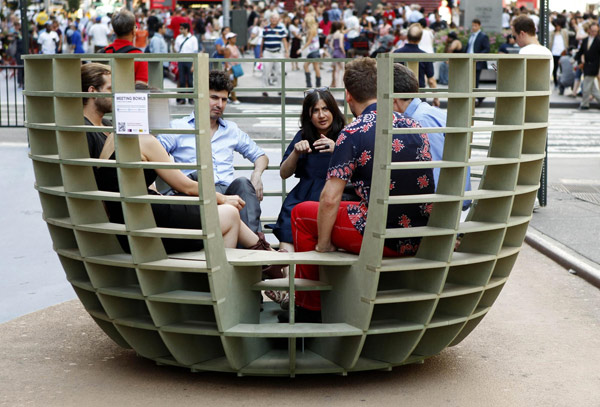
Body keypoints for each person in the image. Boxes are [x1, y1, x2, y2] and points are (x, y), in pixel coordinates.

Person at [285, 58, 435, 323]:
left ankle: (310, 309)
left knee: (301, 214)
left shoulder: (353, 132)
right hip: (418, 232)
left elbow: (329, 199)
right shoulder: (413, 125)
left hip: (379, 235)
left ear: (348, 95)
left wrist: (323, 245)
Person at [81, 63, 281, 260]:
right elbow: (185, 186)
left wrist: (254, 177)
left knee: (240, 190)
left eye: (223, 99)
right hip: (149, 215)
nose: (161, 118)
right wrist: (222, 199)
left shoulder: (111, 137)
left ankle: (262, 255)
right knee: (229, 213)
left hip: (133, 215)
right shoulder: (149, 140)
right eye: (157, 109)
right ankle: (252, 263)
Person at [158, 71, 268, 234]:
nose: (220, 104)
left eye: (224, 99)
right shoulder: (178, 128)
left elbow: (260, 156)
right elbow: (153, 153)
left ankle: (256, 244)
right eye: (214, 98)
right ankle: (256, 247)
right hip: (196, 191)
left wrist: (257, 174)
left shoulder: (231, 129)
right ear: (200, 97)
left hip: (227, 191)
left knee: (244, 184)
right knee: (199, 177)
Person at [271, 87, 344, 253]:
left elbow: (360, 169)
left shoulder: (344, 135)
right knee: (288, 227)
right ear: (309, 116)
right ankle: (286, 273)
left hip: (332, 196)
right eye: (315, 111)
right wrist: (296, 153)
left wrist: (338, 149)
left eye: (325, 109)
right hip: (303, 194)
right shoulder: (303, 135)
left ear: (333, 110)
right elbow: (284, 173)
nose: (321, 115)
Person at [392, 63, 471, 207]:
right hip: (450, 201)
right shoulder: (430, 112)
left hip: (437, 207)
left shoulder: (417, 123)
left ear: (393, 100)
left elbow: (432, 172)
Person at [394, 23, 439, 107]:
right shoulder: (425, 56)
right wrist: (436, 98)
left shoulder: (396, 53)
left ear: (407, 36)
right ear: (420, 38)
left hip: (398, 97)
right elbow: (431, 80)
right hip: (419, 96)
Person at [101, 9, 148, 85]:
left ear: (114, 31)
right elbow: (141, 88)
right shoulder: (139, 57)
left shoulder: (104, 52)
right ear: (133, 31)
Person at [261, 12, 289, 97]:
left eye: (276, 18)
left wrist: (287, 51)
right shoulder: (265, 28)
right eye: (272, 18)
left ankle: (280, 90)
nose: (274, 20)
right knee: (266, 71)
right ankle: (264, 89)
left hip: (278, 52)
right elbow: (263, 41)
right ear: (270, 19)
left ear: (278, 20)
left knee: (280, 72)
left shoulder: (281, 28)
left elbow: (284, 40)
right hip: (267, 52)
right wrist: (261, 52)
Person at [575, 22, 600, 110]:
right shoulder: (585, 40)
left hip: (594, 66)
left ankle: (584, 104)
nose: (594, 33)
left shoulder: (598, 41)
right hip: (586, 65)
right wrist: (577, 60)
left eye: (596, 31)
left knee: (586, 86)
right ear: (589, 30)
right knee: (593, 88)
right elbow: (581, 51)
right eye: (592, 31)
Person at [466, 19, 490, 106]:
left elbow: (487, 49)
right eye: (472, 25)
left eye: (475, 25)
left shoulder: (483, 36)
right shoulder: (471, 36)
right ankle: (479, 97)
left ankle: (476, 98)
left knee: (474, 82)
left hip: (477, 62)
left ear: (479, 26)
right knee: (470, 81)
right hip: (469, 61)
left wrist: (478, 57)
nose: (473, 27)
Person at [174, 22, 198, 105]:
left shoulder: (193, 39)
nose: (180, 30)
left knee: (190, 80)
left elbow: (195, 52)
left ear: (186, 29)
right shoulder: (178, 38)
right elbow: (176, 50)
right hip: (181, 60)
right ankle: (182, 98)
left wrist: (193, 65)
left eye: (182, 29)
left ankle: (191, 98)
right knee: (182, 80)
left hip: (190, 61)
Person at [298, 15, 321, 88]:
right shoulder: (313, 29)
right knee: (311, 66)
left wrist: (301, 49)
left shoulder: (311, 30)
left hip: (313, 51)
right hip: (314, 50)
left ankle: (313, 84)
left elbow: (308, 42)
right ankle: (313, 84)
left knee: (314, 67)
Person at [224, 32, 241, 104]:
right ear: (229, 39)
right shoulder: (228, 48)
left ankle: (227, 97)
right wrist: (227, 69)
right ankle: (233, 98)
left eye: (235, 37)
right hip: (230, 68)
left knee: (234, 83)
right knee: (231, 84)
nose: (235, 39)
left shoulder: (234, 46)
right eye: (232, 38)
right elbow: (226, 59)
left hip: (235, 67)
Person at [329, 21, 345, 88]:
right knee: (343, 69)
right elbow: (341, 45)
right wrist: (344, 52)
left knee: (336, 70)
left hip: (335, 52)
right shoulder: (341, 34)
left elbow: (330, 45)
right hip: (340, 53)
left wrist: (335, 49)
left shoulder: (334, 34)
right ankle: (343, 85)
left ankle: (336, 84)